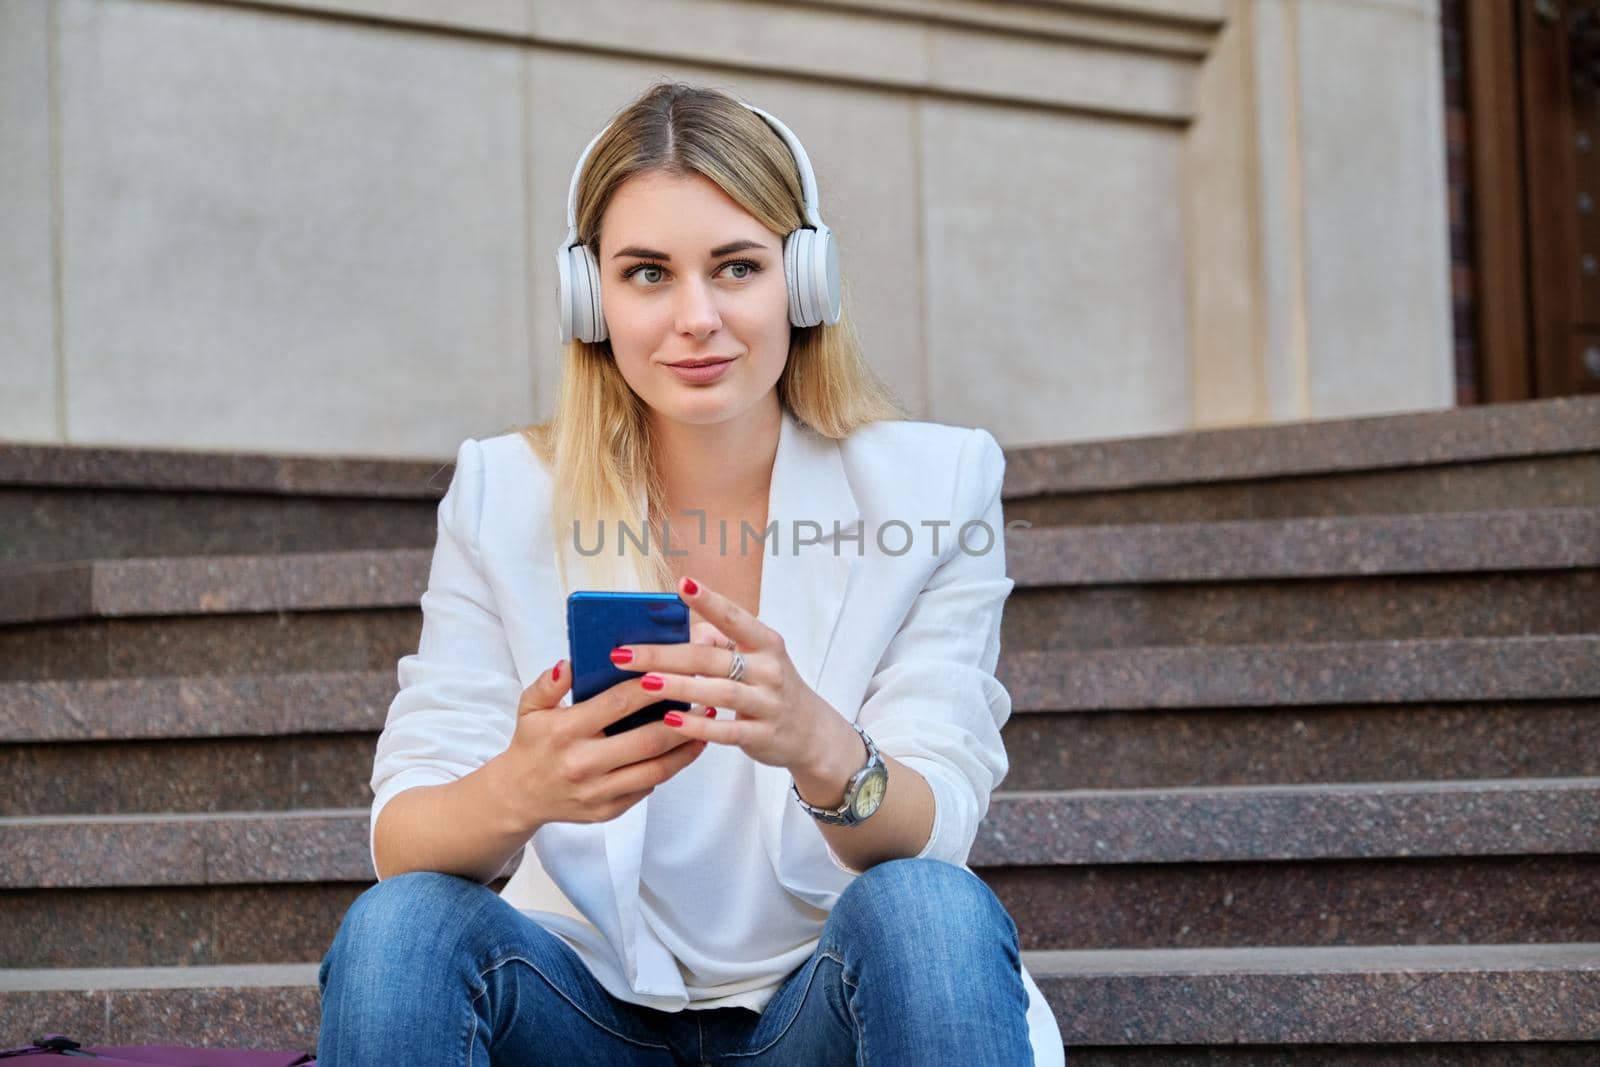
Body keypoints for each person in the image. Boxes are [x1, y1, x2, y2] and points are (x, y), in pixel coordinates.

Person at [317, 80, 1065, 1065]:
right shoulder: (503, 492)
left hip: (818, 1011)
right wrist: (524, 787)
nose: (696, 317)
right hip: (580, 1014)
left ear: (805, 282)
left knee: (927, 906)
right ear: (591, 298)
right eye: (646, 274)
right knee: (401, 926)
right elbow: (403, 837)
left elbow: (936, 830)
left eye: (736, 266)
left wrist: (819, 744)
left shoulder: (934, 484)